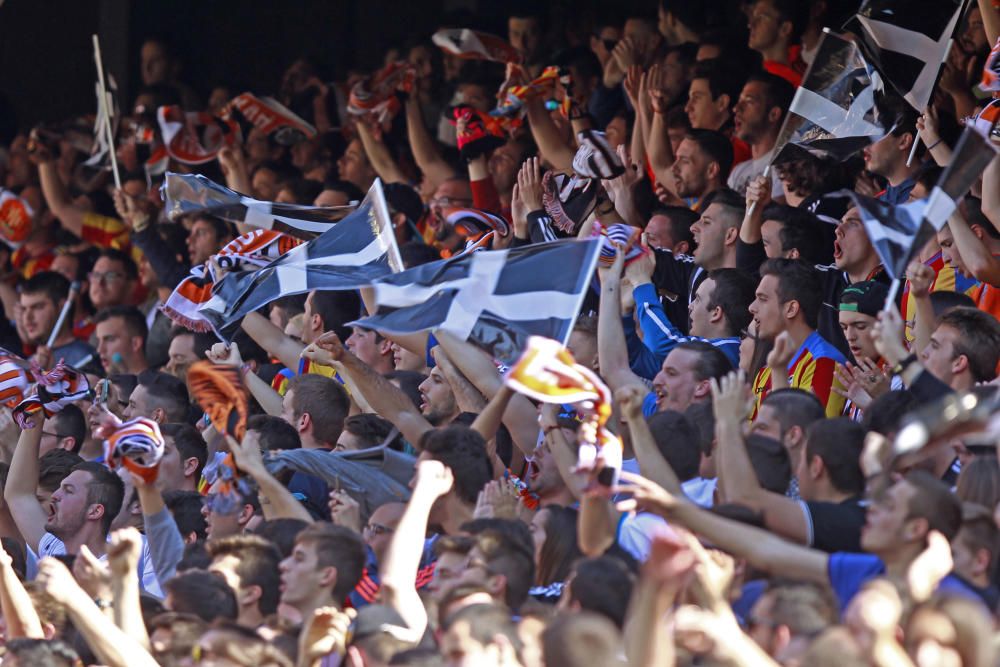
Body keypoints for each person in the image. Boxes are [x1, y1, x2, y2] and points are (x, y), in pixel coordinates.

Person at [749, 258, 847, 418]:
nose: (752, 307)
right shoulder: (766, 371)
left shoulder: (825, 364)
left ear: (791, 309)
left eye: (762, 299)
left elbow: (812, 436)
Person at [278, 522, 366, 623]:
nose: (283, 565)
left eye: (299, 559)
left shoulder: (352, 637)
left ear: (327, 575)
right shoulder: (275, 635)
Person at [728, 71, 794, 196]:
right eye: (739, 100)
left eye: (749, 102)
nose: (736, 108)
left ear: (773, 114)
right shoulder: (739, 171)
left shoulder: (788, 170)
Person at [17, 271, 96, 367]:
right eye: (24, 309)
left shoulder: (86, 358)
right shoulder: (29, 363)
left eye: (38, 307)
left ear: (62, 307)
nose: (27, 317)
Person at [94, 305, 149, 374]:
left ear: (135, 343)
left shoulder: (160, 383)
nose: (99, 350)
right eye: (99, 340)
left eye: (109, 339)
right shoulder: (104, 384)